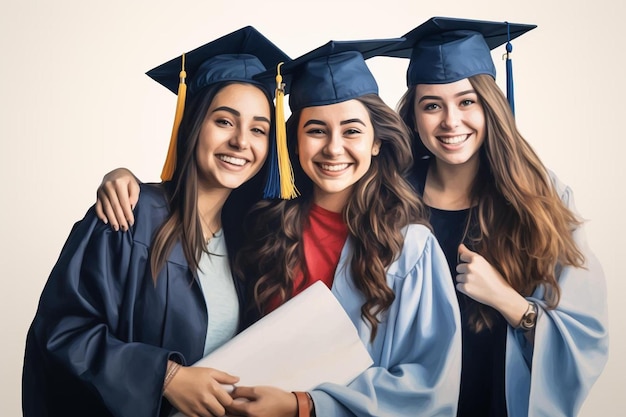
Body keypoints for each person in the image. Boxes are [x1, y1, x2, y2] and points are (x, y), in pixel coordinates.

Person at [22, 26, 291, 417]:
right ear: (193, 124)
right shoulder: (130, 216)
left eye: (259, 130)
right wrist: (164, 377)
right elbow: (61, 332)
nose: (241, 142)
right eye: (224, 122)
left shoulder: (252, 237)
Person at [382, 16, 609, 417]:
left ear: (491, 107)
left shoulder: (539, 198)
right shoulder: (389, 199)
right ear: (414, 117)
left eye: (467, 101)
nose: (451, 121)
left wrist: (507, 300)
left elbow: (585, 337)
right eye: (432, 105)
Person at [225, 40, 461, 417]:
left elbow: (430, 384)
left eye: (351, 131)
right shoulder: (263, 225)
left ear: (377, 142)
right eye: (316, 131)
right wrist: (126, 181)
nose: (333, 149)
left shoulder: (410, 248)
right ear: (295, 142)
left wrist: (302, 406)